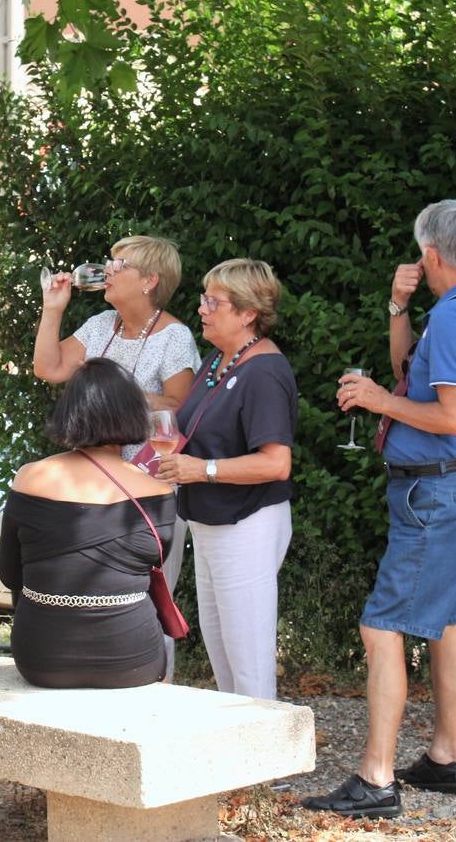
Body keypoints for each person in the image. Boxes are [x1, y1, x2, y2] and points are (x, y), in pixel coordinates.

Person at [303, 198, 456, 818]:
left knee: (382, 625)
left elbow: (453, 416)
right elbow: (408, 369)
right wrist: (398, 307)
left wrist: (374, 401)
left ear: (432, 255)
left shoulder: (452, 320)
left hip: (434, 492)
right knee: (442, 620)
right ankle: (445, 758)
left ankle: (377, 778)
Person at [155, 258, 296, 701]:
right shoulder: (220, 359)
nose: (202, 309)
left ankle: (267, 765)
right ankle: (243, 762)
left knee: (249, 660)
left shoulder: (264, 371)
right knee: (222, 652)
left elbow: (276, 463)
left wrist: (203, 470)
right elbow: (195, 433)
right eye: (203, 299)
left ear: (247, 312)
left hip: (246, 523)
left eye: (213, 302)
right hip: (212, 523)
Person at [33, 235, 200, 589]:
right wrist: (53, 308)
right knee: (95, 590)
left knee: (150, 599)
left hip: (149, 484)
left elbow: (180, 408)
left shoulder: (174, 337)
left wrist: (117, 395)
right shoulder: (100, 324)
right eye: (109, 262)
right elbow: (49, 368)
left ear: (149, 280)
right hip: (94, 482)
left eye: (120, 265)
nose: (108, 269)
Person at [0, 358, 175, 688]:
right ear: (134, 414)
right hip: (133, 658)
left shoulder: (31, 477)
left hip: (43, 657)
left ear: (71, 411)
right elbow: (151, 572)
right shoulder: (158, 490)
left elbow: (10, 574)